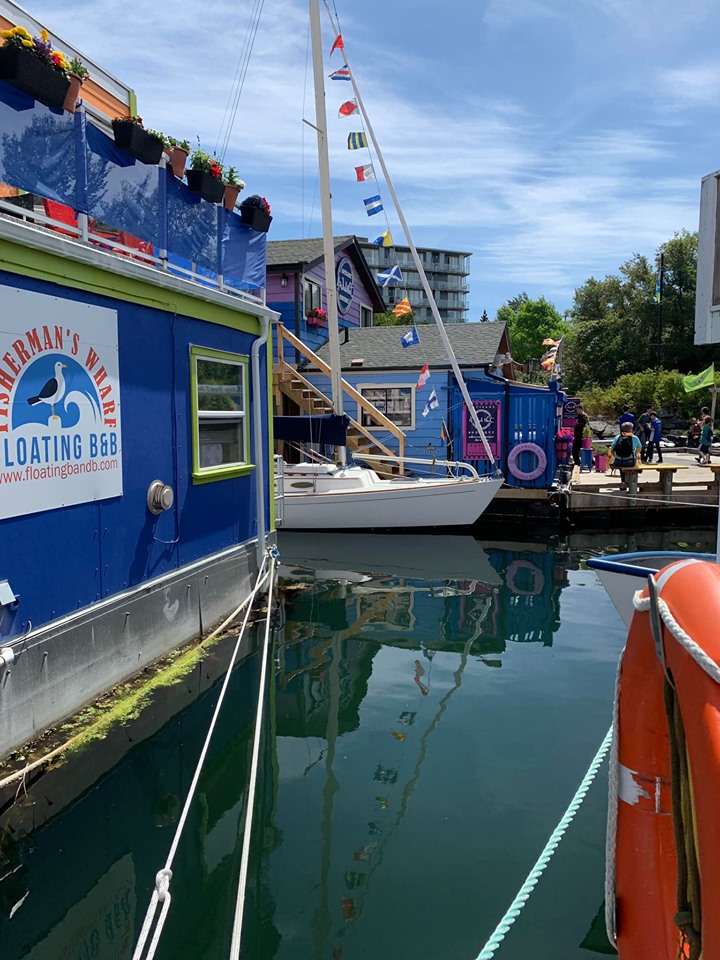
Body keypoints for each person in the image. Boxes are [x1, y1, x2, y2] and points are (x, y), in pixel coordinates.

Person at [610, 422, 641, 491]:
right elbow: (639, 449)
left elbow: (612, 450)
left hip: (618, 461)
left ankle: (623, 482)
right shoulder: (635, 438)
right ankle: (630, 483)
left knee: (622, 467)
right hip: (630, 461)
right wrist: (634, 454)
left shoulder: (617, 437)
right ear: (631, 430)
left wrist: (616, 456)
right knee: (631, 465)